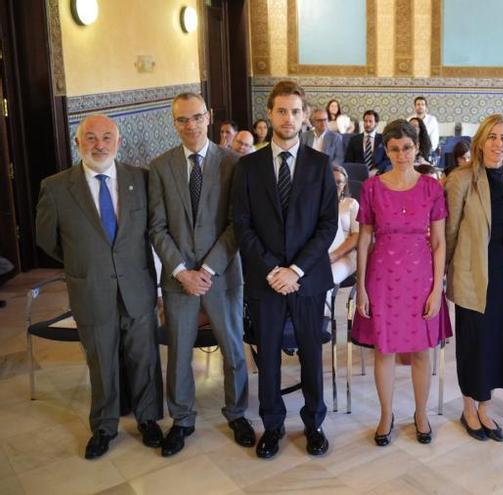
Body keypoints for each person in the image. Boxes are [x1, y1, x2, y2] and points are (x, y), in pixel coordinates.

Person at [35, 114, 164, 459]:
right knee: (101, 362)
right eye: (90, 138)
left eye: (107, 137)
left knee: (145, 357)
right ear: (78, 143)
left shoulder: (141, 180)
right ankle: (104, 427)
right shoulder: (57, 187)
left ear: (118, 142)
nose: (99, 145)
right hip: (91, 290)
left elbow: (153, 230)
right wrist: (88, 261)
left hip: (137, 288)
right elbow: (47, 239)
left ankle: (149, 419)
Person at [232, 80, 337, 459]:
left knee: (311, 353)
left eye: (295, 111)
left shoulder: (321, 165)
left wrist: (295, 270)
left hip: (307, 281)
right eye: (281, 111)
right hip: (265, 281)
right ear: (269, 114)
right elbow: (242, 224)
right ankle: (272, 426)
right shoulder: (247, 167)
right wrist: (274, 269)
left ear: (305, 116)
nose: (288, 118)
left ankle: (314, 424)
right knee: (269, 356)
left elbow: (327, 226)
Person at [148, 93, 252, 457]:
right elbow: (157, 227)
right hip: (178, 281)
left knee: (233, 347)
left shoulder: (234, 163)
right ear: (173, 123)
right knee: (178, 352)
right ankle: (182, 419)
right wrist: (181, 271)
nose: (190, 125)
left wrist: (206, 269)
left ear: (209, 116)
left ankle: (237, 412)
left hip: (221, 275)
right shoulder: (160, 167)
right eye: (181, 120)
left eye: (196, 117)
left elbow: (236, 224)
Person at [352, 119, 451, 447]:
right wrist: (362, 287)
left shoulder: (431, 187)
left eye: (406, 147)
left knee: (422, 350)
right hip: (382, 277)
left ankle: (420, 413)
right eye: (394, 149)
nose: (401, 154)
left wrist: (437, 289)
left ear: (417, 147)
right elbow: (364, 238)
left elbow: (439, 242)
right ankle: (386, 414)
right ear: (386, 150)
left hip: (421, 276)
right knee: (385, 350)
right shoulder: (371, 187)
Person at [445, 114, 503, 442]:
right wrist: (441, 275)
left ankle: (484, 408)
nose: (498, 144)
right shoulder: (461, 179)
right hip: (472, 276)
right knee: (474, 345)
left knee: (497, 346)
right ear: (480, 141)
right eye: (492, 137)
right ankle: (468, 408)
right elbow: (450, 232)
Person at [326, 165, 359, 314]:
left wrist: (334, 256)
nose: (336, 185)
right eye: (332, 181)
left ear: (345, 183)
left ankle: (322, 322)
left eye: (339, 182)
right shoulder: (317, 204)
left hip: (345, 255)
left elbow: (356, 235)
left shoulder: (351, 203)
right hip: (322, 253)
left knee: (325, 279)